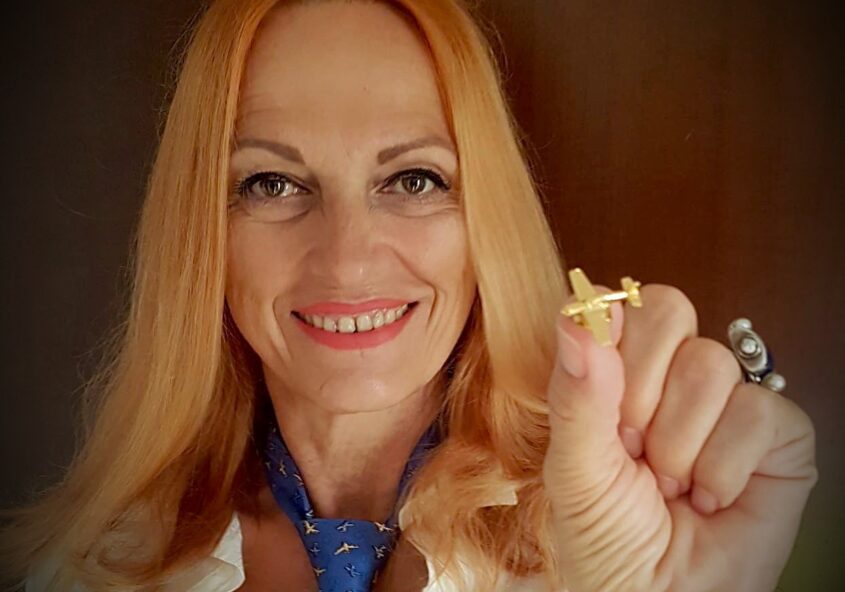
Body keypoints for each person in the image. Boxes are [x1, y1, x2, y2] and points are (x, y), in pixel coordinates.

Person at [1, 0, 818, 591]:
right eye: (272, 183)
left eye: (414, 179)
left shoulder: (616, 537)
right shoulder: (83, 571)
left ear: (489, 221)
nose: (347, 260)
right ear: (201, 236)